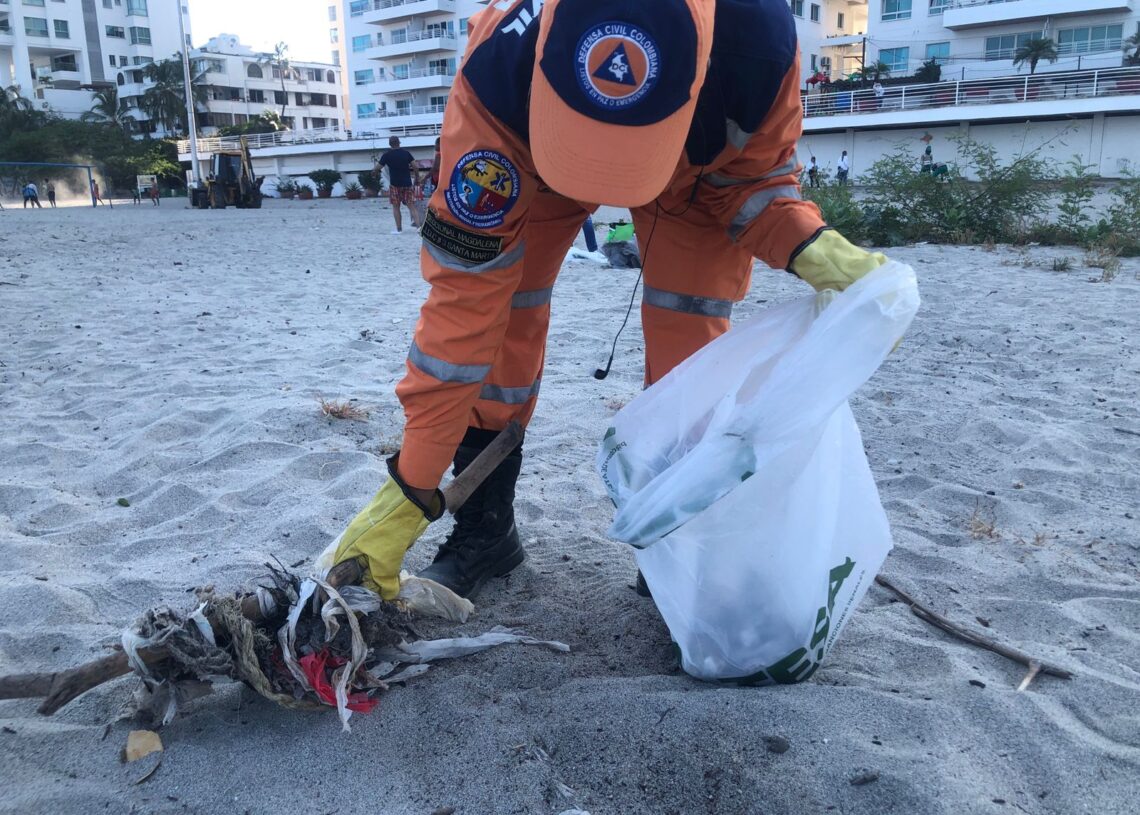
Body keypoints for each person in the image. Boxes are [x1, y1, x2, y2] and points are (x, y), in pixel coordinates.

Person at [327, 0, 890, 602]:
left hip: (689, 176)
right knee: (501, 328)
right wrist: (410, 489)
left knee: (691, 354)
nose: (602, 187)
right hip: (532, 161)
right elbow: (461, 309)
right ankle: (485, 533)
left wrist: (812, 247)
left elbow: (753, 183)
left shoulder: (760, 47)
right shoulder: (500, 66)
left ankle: (675, 550)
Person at [378, 136, 420, 233]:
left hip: (394, 185)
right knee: (411, 206)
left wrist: (373, 173)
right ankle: (419, 228)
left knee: (396, 207)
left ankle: (399, 229)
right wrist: (417, 178)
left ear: (389, 144)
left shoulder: (386, 155)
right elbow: (415, 166)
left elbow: (378, 167)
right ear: (399, 143)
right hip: (407, 184)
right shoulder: (406, 153)